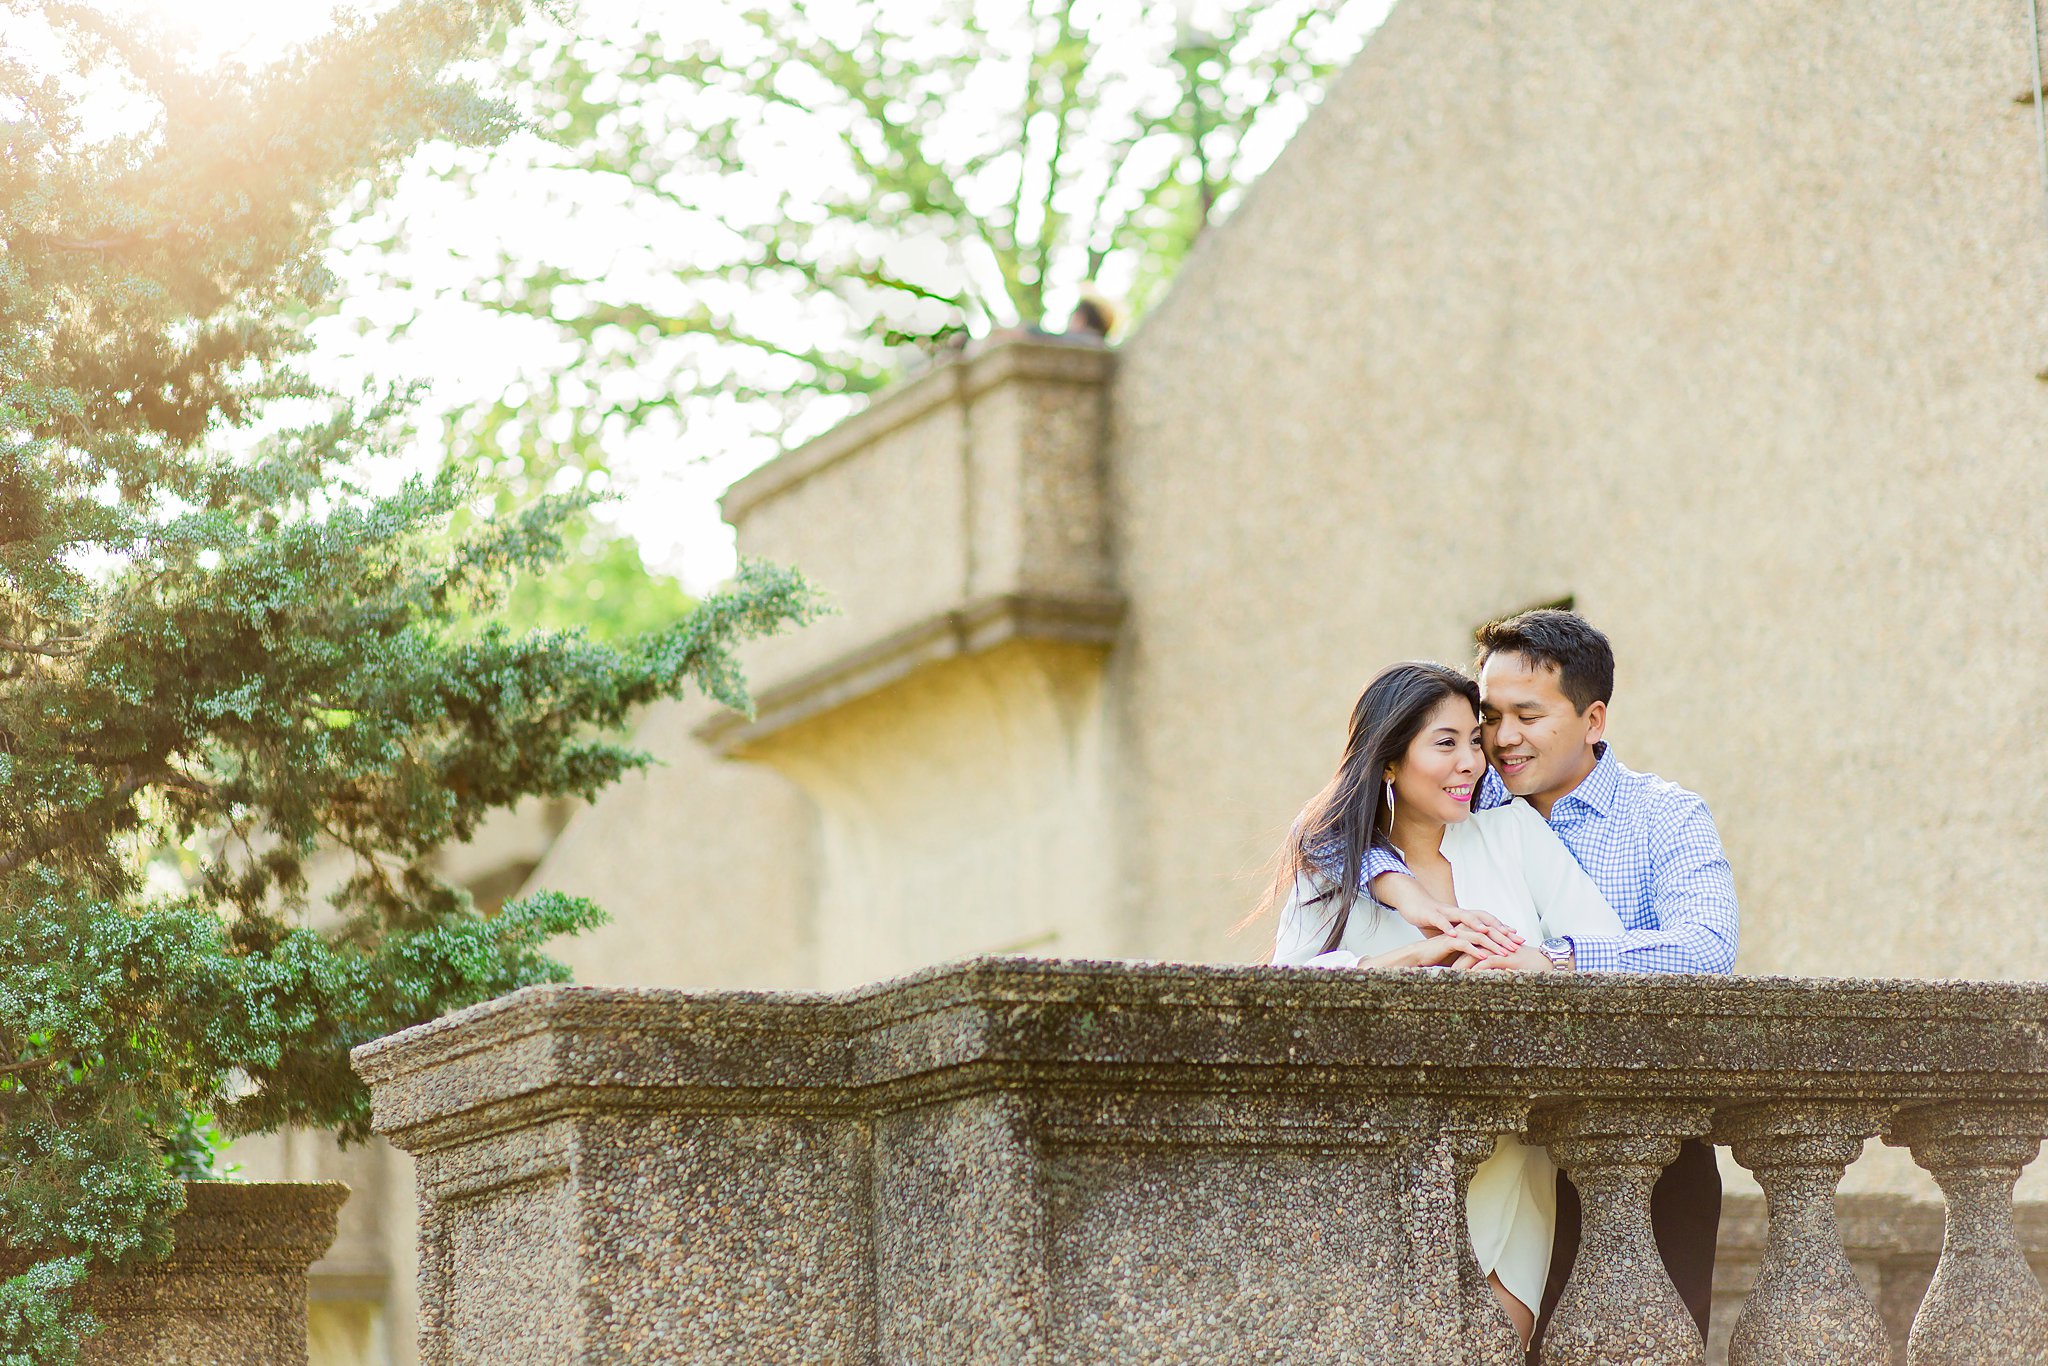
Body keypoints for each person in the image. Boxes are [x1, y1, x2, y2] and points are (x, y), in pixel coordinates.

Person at [1363, 610, 1739, 1355]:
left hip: (1643, 1151)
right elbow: (1356, 825)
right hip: (1501, 1151)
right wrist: (1396, 886)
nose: (1499, 740)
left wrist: (1558, 960)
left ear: (1593, 718)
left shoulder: (1664, 817)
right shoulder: (1474, 802)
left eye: (1526, 716)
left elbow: (1705, 949)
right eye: (1489, 717)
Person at [1262, 661, 1624, 1347]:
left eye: (1473, 742)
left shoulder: (1512, 834)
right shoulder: (1332, 868)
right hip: (1381, 1179)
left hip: (1513, 1163)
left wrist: (1540, 962)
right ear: (1391, 760)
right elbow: (1287, 998)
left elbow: (1603, 949)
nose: (1471, 764)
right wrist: (1414, 960)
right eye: (1445, 743)